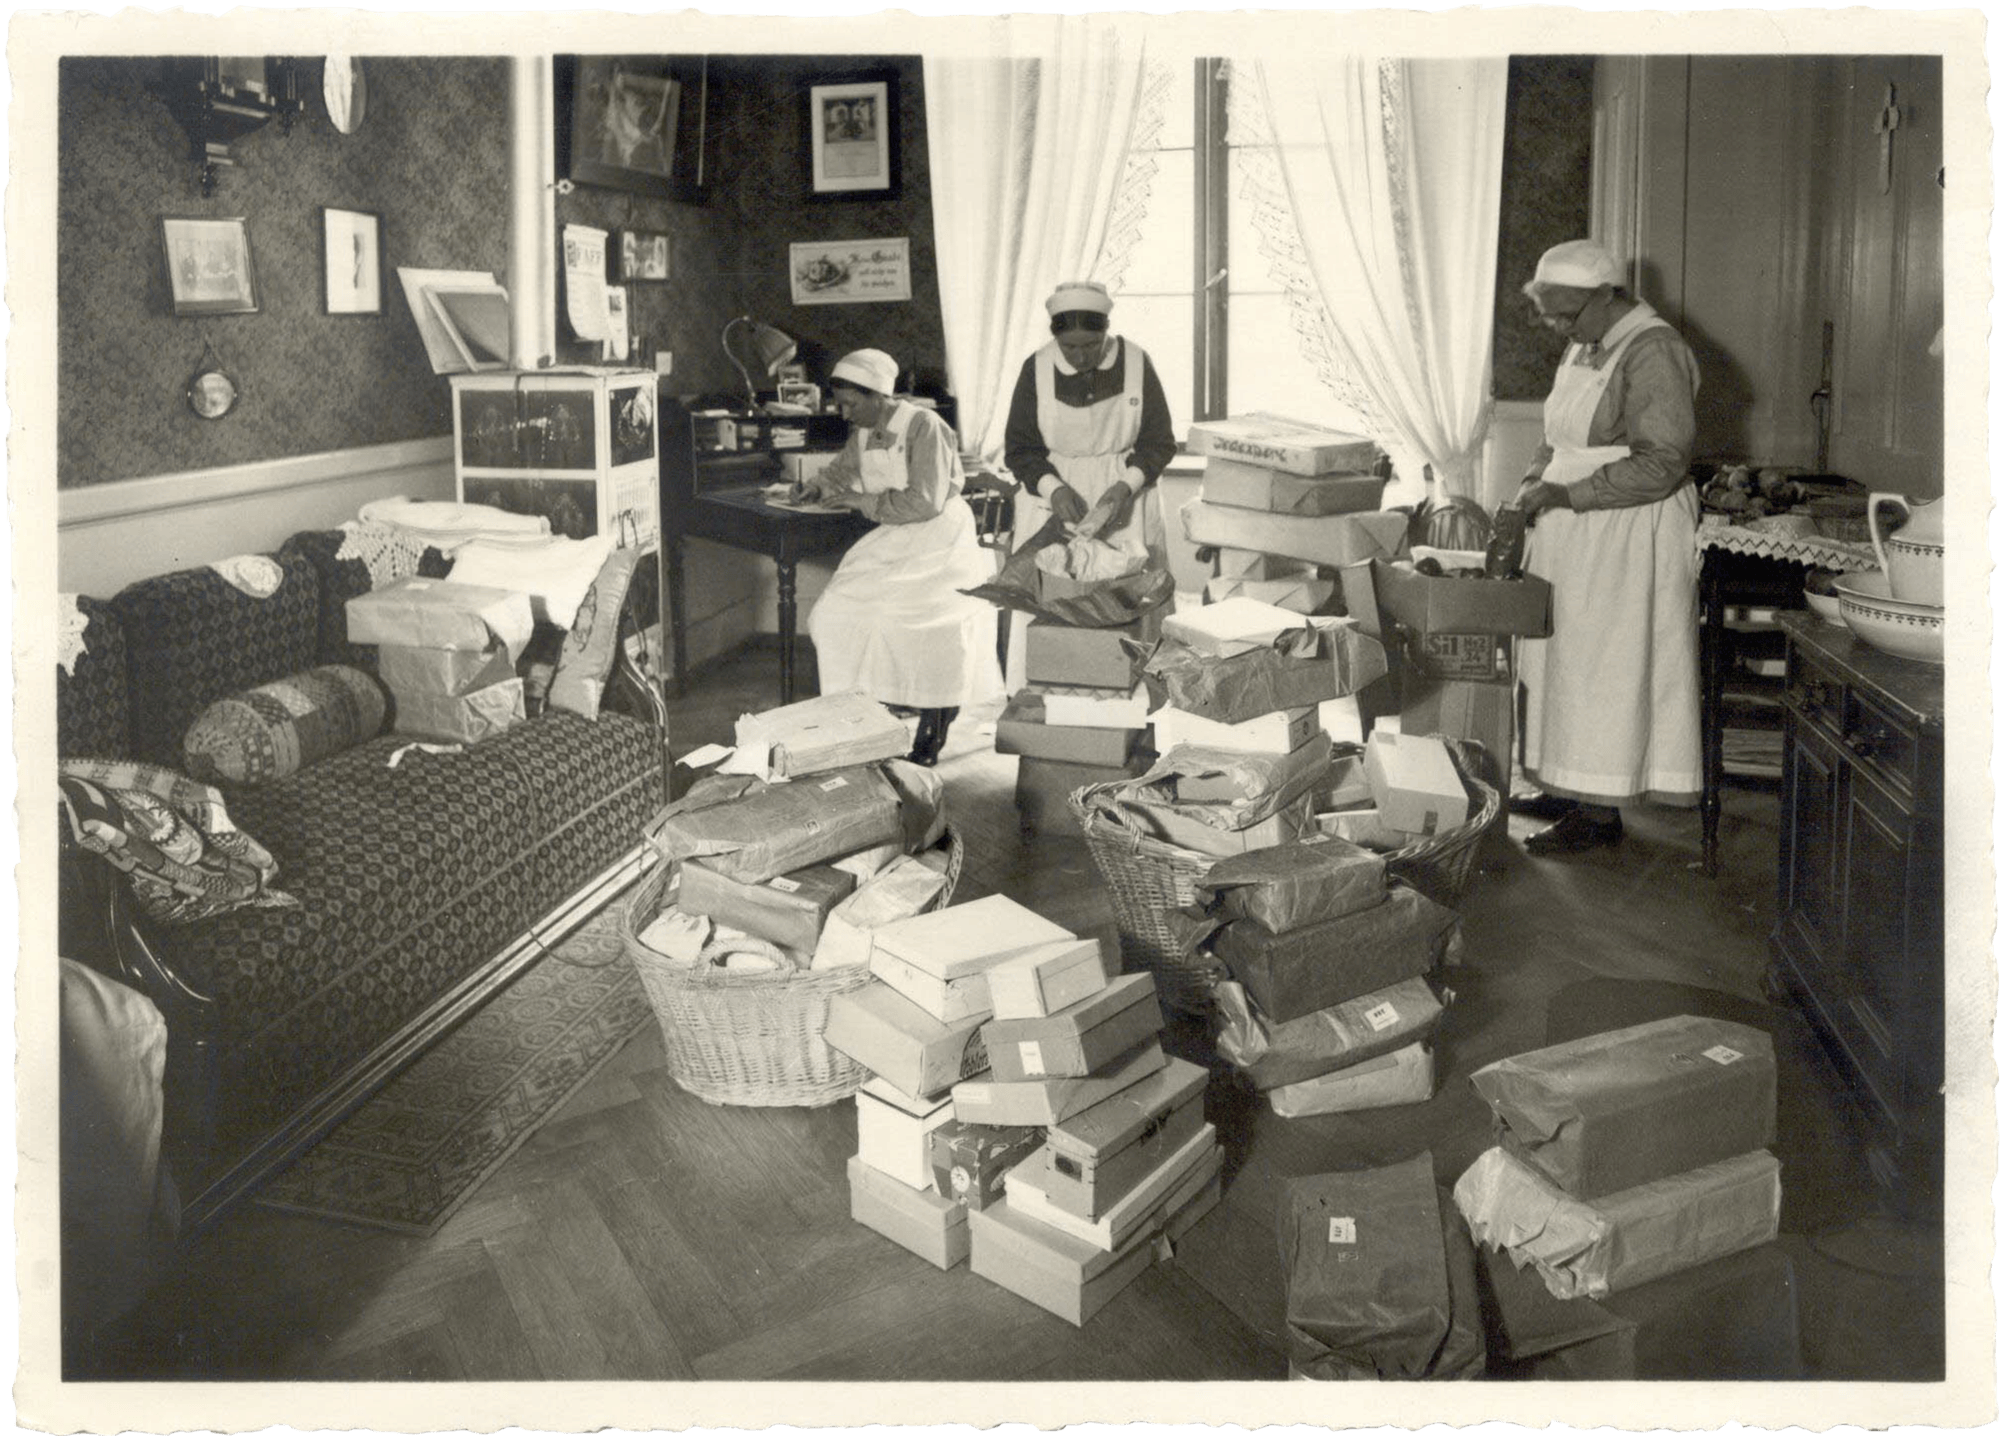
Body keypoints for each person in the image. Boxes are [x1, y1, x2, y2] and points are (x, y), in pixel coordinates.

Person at [1512, 239, 1703, 855]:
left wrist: (1567, 495)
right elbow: (1556, 438)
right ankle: (1565, 784)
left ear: (1605, 296)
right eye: (1549, 316)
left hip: (1626, 533)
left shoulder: (1654, 350)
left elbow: (1663, 462)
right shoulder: (1586, 343)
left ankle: (1599, 812)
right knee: (1564, 663)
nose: (1557, 328)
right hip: (1575, 531)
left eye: (1565, 315)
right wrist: (1530, 487)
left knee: (1605, 670)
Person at [800, 349, 1003, 765]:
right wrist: (817, 487)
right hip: (897, 535)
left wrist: (861, 501)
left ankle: (936, 716)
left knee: (914, 622)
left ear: (879, 396)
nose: (845, 414)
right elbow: (842, 469)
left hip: (941, 538)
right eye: (841, 404)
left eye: (852, 404)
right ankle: (867, 715)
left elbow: (925, 502)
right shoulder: (863, 430)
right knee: (833, 613)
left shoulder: (923, 426)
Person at [1003, 281, 1177, 565]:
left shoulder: (1136, 362)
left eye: (1092, 345)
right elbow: (1020, 449)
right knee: (1055, 581)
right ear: (1055, 337)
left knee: (1128, 581)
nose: (1081, 357)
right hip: (1053, 496)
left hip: (1126, 495)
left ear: (1106, 330)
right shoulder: (1036, 367)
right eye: (1069, 346)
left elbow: (1159, 442)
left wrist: (1126, 486)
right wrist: (1053, 489)